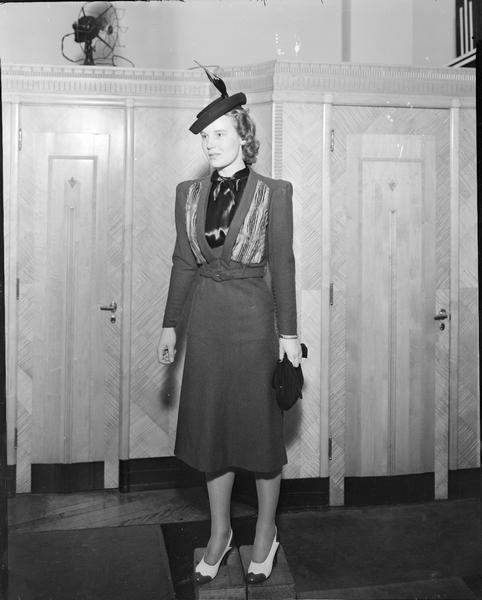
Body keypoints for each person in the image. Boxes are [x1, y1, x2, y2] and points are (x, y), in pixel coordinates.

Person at [157, 67, 301, 585]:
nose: (210, 144)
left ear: (243, 134)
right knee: (211, 434)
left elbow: (282, 265)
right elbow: (182, 262)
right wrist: (172, 325)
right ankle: (220, 533)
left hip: (257, 327)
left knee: (259, 436)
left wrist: (289, 336)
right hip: (208, 327)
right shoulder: (187, 195)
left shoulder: (274, 192)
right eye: (204, 137)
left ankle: (265, 531)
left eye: (219, 134)